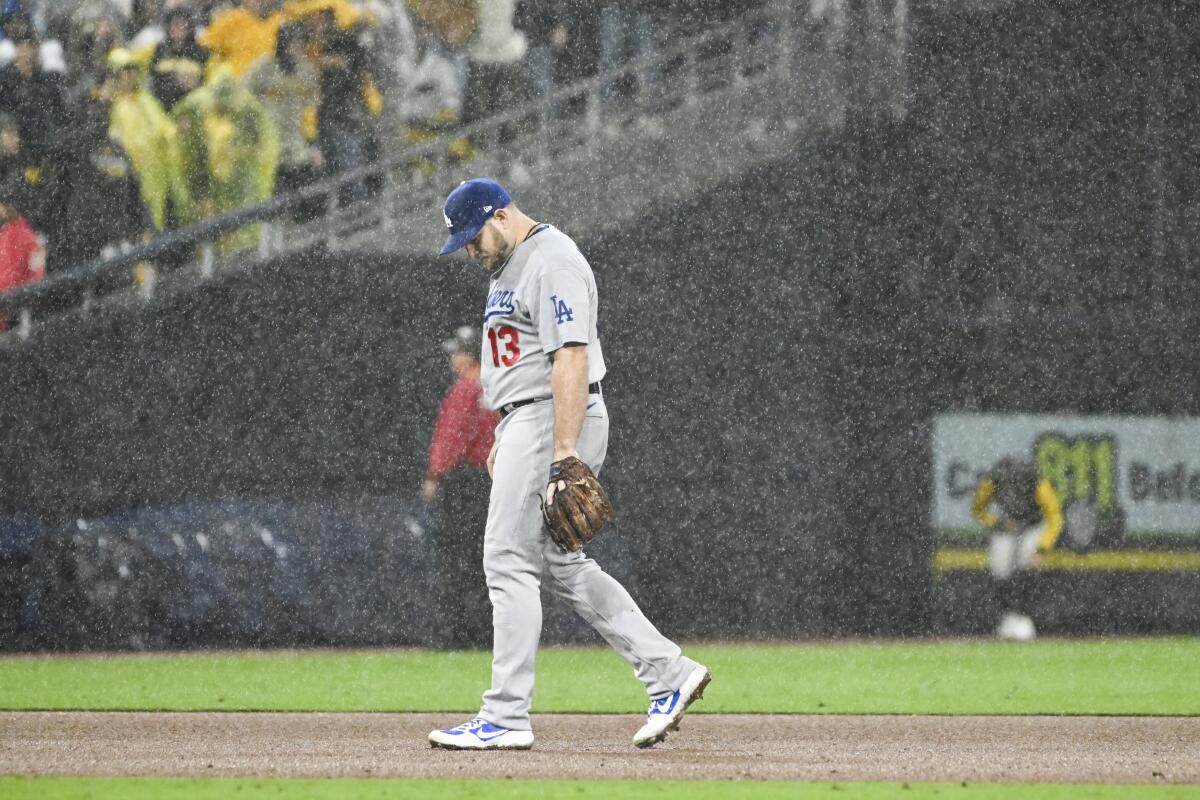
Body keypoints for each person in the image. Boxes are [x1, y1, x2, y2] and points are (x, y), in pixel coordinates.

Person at [427, 178, 709, 751]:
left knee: (506, 559)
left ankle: (505, 715)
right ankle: (669, 673)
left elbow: (571, 355)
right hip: (526, 418)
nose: (470, 251)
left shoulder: (550, 260)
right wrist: (507, 433)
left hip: (550, 417)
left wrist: (562, 452)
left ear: (501, 216)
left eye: (473, 237)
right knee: (558, 563)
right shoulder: (511, 265)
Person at [418, 325, 499, 649]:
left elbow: (452, 438)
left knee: (454, 559)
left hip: (464, 483)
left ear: (468, 355)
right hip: (493, 479)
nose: (453, 358)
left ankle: (456, 635)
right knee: (487, 559)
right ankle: (486, 632)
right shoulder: (498, 387)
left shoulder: (465, 389)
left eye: (457, 352)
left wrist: (435, 474)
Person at [971, 456, 1063, 641]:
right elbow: (978, 509)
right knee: (1000, 570)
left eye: (1016, 482)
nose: (1012, 487)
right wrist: (997, 523)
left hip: (1033, 526)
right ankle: (1009, 616)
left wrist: (1041, 549)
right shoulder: (992, 481)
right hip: (1008, 526)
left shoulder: (1037, 483)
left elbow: (1054, 518)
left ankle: (1023, 617)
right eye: (1007, 482)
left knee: (1026, 567)